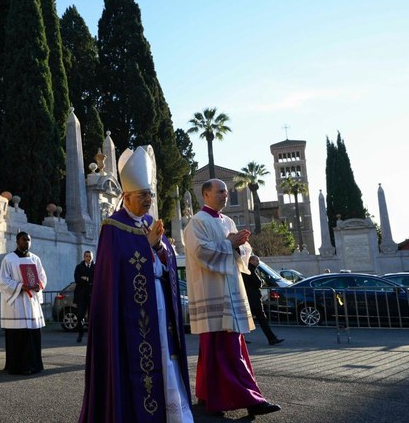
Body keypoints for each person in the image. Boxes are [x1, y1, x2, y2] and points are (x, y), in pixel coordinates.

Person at [79, 146, 192, 423]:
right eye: (142, 195)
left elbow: (167, 262)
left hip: (159, 303)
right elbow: (113, 275)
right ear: (126, 197)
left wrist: (162, 250)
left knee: (166, 355)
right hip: (129, 313)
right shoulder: (112, 227)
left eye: (149, 195)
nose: (148, 200)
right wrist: (149, 246)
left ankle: (173, 414)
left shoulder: (153, 223)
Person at [183, 178, 281, 417]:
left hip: (231, 293)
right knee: (227, 350)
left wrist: (242, 247)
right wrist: (230, 244)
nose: (225, 196)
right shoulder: (197, 222)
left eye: (226, 192)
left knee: (220, 349)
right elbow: (200, 252)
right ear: (205, 195)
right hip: (212, 294)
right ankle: (251, 399)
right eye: (220, 192)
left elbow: (242, 251)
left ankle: (209, 396)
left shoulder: (228, 221)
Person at [0, 231, 47, 376]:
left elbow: (42, 277)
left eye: (29, 240)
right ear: (17, 241)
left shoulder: (35, 259)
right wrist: (20, 286)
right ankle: (17, 366)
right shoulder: (9, 259)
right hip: (17, 303)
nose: (27, 242)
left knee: (31, 335)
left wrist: (39, 285)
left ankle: (34, 364)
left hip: (31, 302)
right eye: (24, 239)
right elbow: (3, 281)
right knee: (18, 335)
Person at [242, 255, 284, 346]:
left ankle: (271, 338)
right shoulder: (250, 270)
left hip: (250, 298)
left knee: (248, 320)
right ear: (251, 261)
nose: (258, 263)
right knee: (261, 320)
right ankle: (271, 338)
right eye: (257, 261)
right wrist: (260, 281)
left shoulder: (246, 269)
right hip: (254, 299)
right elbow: (258, 283)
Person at [73, 250, 94, 343]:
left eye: (90, 256)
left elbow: (96, 279)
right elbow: (77, 279)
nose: (88, 258)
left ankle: (91, 336)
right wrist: (89, 281)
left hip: (92, 295)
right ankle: (80, 333)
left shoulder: (95, 267)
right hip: (81, 295)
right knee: (80, 315)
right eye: (86, 256)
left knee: (92, 316)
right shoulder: (79, 267)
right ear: (84, 257)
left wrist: (86, 278)